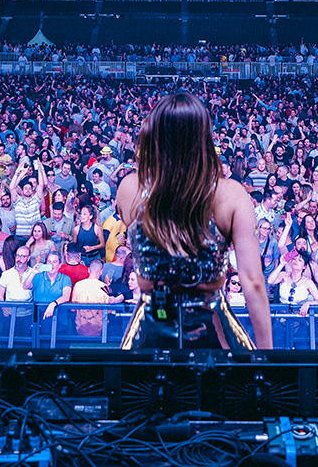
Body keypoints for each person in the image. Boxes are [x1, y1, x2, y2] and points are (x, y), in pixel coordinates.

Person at [115, 93, 270, 350]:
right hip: (213, 328)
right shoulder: (231, 193)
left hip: (150, 327)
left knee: (138, 389)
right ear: (203, 137)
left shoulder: (130, 187)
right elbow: (252, 281)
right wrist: (267, 357)